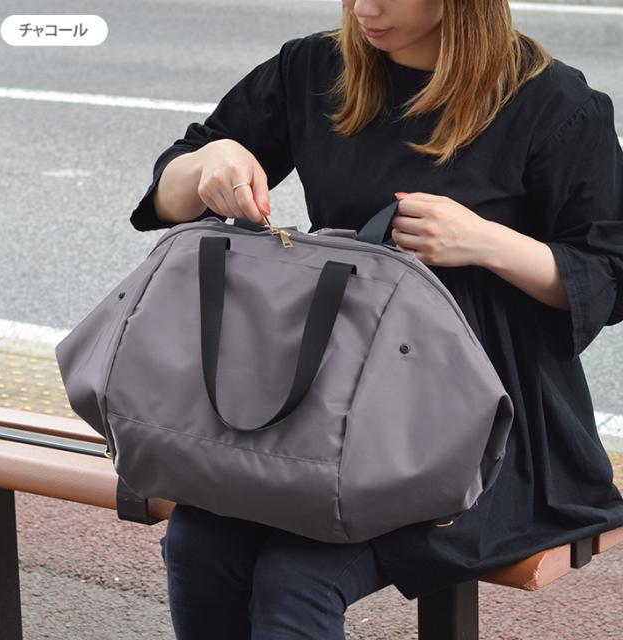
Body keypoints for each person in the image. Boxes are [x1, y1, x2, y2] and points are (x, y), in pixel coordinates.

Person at [130, 1, 623, 638]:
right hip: (324, 398)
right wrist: (208, 163)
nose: (365, 7)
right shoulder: (315, 68)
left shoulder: (550, 101)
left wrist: (486, 242)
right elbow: (169, 197)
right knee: (200, 545)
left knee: (297, 578)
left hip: (481, 425)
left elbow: (609, 273)